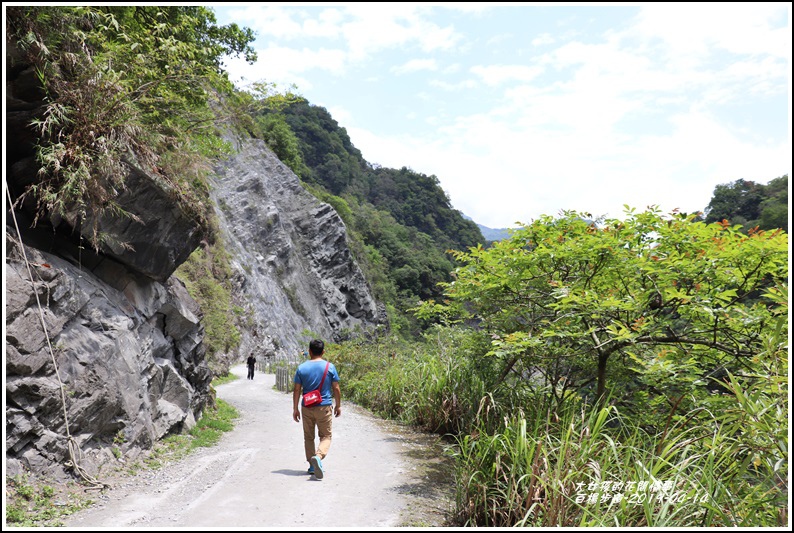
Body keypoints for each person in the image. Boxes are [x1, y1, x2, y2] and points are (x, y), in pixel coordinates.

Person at [292, 339, 341, 479]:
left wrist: (295, 409)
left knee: (308, 436)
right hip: (324, 406)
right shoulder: (330, 367)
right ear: (323, 352)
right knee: (326, 436)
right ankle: (318, 456)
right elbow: (336, 388)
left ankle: (312, 465)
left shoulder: (301, 368)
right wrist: (338, 405)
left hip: (306, 407)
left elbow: (296, 390)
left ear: (309, 351)